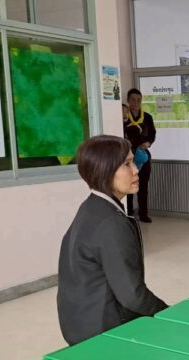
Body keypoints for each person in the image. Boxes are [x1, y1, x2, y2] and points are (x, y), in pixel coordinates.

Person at [57, 135, 168, 346]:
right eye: (127, 164)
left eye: (133, 162)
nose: (136, 170)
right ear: (105, 170)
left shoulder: (91, 208)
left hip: (80, 325)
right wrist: (168, 314)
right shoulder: (111, 223)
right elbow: (132, 296)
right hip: (102, 333)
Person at [124, 88, 156, 223]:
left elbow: (152, 134)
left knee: (143, 185)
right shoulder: (124, 117)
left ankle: (143, 214)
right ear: (128, 100)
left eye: (138, 100)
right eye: (133, 100)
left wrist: (148, 143)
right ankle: (129, 213)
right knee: (128, 184)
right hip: (128, 156)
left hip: (143, 156)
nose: (136, 103)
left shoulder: (147, 117)